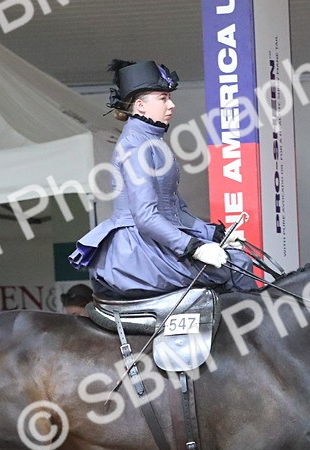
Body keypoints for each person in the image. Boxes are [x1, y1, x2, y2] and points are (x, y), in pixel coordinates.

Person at [70, 59, 257, 299]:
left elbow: (175, 211)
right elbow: (145, 217)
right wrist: (193, 247)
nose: (171, 104)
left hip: (151, 242)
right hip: (138, 251)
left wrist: (215, 234)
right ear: (140, 106)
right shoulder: (135, 146)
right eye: (163, 98)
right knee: (238, 265)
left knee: (236, 259)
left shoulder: (151, 141)